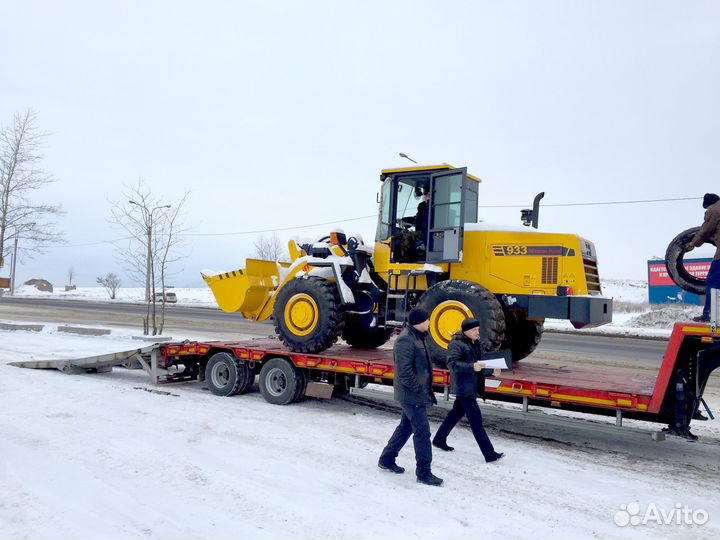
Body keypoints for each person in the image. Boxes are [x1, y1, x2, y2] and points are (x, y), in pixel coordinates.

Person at [378, 307, 443, 486]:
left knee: (405, 427)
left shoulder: (419, 337)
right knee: (422, 432)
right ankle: (424, 472)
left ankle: (387, 459)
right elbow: (404, 373)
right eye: (428, 319)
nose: (430, 322)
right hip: (411, 394)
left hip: (416, 393)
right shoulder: (405, 340)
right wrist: (419, 390)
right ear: (419, 322)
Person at [431, 317, 504, 463]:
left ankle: (439, 439)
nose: (478, 332)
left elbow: (481, 365)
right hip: (464, 388)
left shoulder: (476, 343)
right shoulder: (457, 344)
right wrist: (471, 366)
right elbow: (452, 364)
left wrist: (492, 371)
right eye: (475, 330)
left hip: (473, 386)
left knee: (455, 414)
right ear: (467, 331)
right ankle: (489, 454)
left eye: (478, 329)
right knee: (476, 421)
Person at [686, 193, 720, 322]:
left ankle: (709, 314)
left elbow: (705, 231)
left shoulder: (714, 210)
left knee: (713, 282)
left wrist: (692, 244)